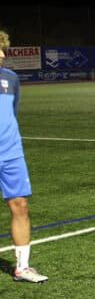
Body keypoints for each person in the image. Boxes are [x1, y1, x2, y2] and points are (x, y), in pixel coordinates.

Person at [0, 31, 48, 283]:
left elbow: (12, 113)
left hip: (11, 152)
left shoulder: (11, 78)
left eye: (2, 49)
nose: (1, 54)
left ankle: (22, 268)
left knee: (20, 205)